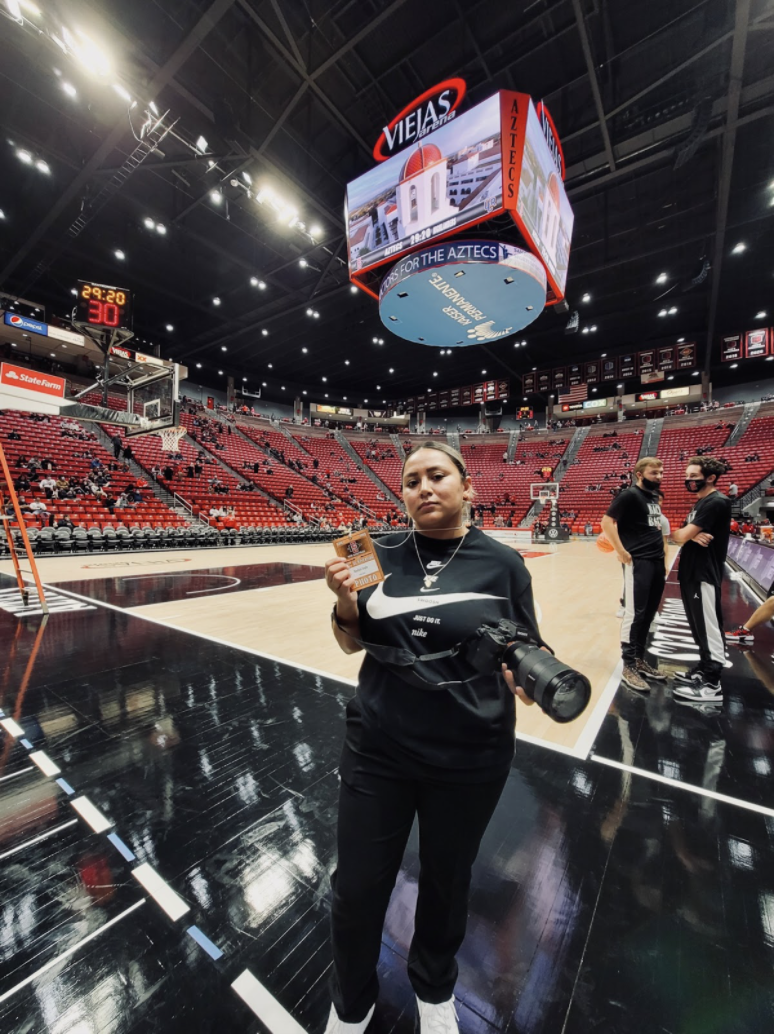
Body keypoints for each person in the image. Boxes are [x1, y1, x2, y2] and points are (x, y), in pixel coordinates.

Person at [323, 441, 547, 1034]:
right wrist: (346, 604)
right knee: (356, 886)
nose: (423, 487)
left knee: (447, 885)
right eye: (411, 480)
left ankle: (433, 988)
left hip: (469, 754)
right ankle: (350, 1003)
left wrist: (527, 676)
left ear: (466, 486)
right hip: (378, 747)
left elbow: (527, 647)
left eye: (437, 476)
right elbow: (351, 641)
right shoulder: (375, 552)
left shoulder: (503, 564)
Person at [600, 458, 667, 692]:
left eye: (660, 472)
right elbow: (607, 522)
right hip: (638, 561)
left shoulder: (653, 497)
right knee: (634, 614)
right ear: (639, 474)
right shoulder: (629, 495)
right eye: (654, 472)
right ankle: (628, 665)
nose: (658, 476)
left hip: (657, 562)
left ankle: (639, 659)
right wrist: (621, 551)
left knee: (648, 614)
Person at [670, 457, 732, 703]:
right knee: (698, 626)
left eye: (694, 476)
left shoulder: (716, 502)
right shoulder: (701, 503)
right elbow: (680, 534)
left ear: (711, 477)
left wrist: (687, 535)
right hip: (690, 571)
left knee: (709, 627)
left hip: (704, 572)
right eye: (688, 476)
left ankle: (712, 684)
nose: (689, 481)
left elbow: (680, 534)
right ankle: (703, 668)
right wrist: (689, 536)